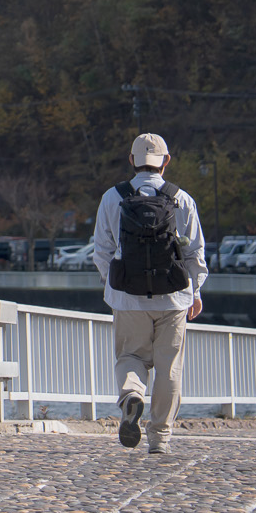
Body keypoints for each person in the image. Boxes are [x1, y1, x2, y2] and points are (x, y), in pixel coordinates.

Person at [90, 133, 206, 454]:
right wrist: (195, 291)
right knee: (169, 368)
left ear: (131, 160)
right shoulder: (181, 199)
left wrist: (114, 284)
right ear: (165, 161)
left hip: (127, 297)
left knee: (130, 357)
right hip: (174, 297)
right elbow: (195, 253)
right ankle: (160, 437)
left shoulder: (113, 197)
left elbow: (101, 251)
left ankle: (132, 396)